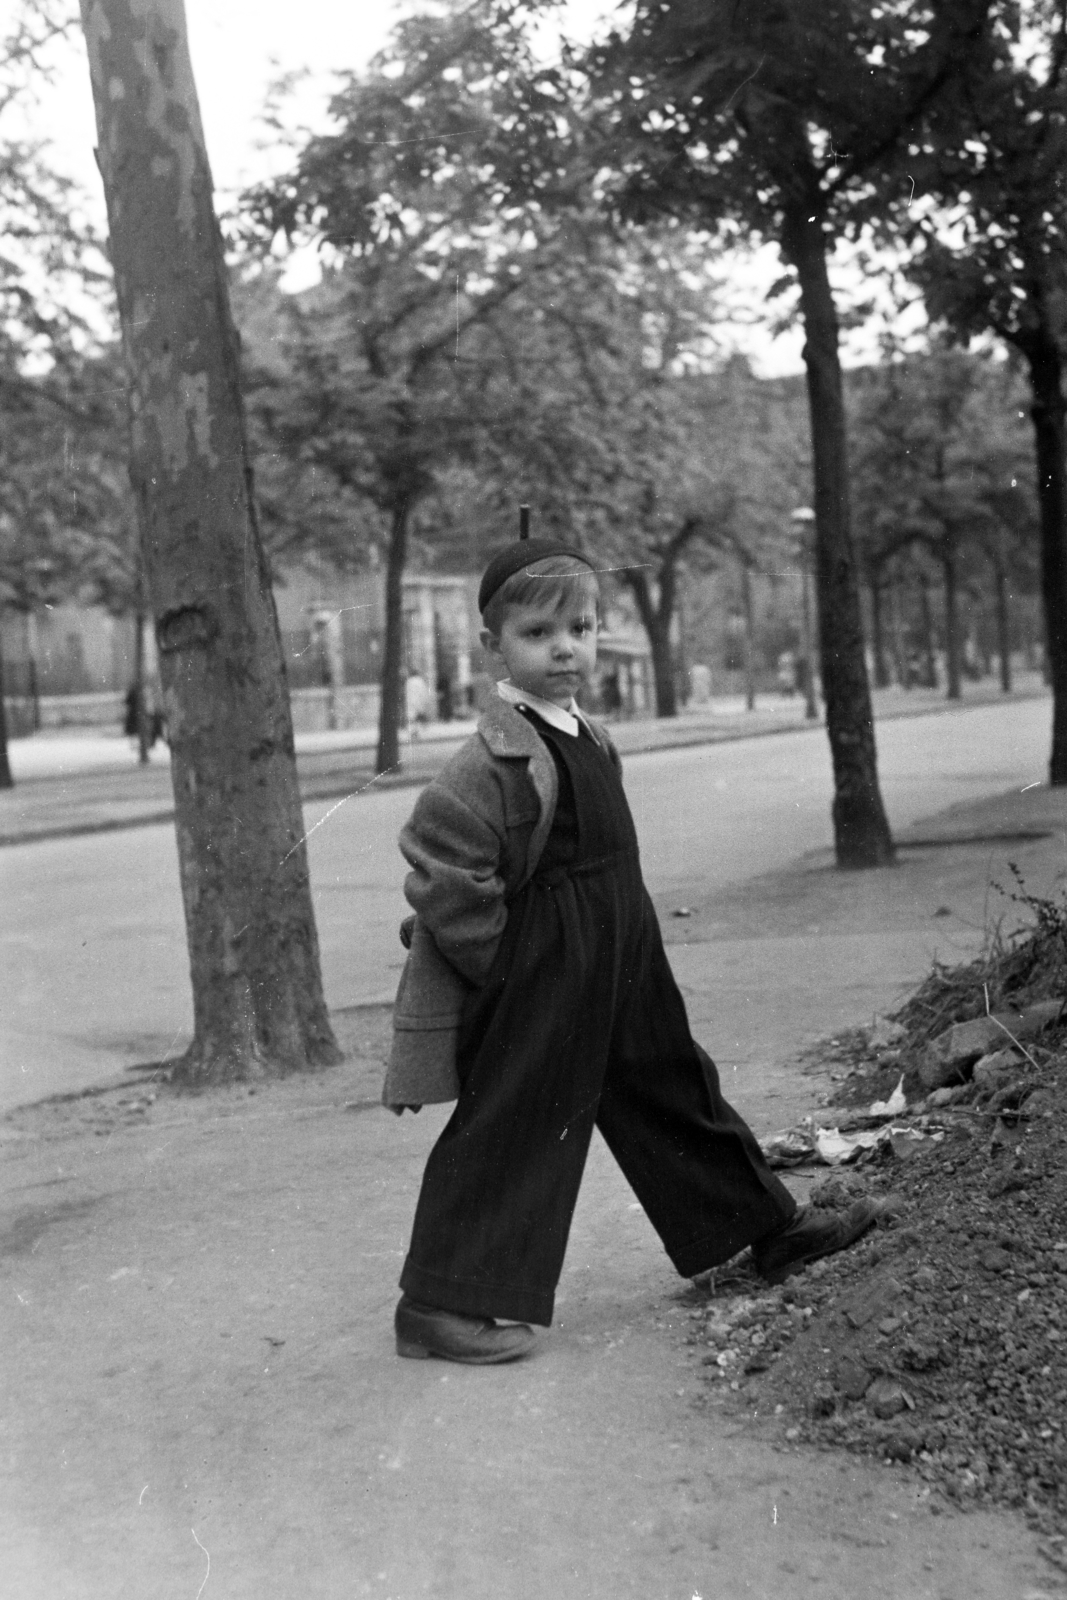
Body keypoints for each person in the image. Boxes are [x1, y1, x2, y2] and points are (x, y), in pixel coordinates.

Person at [383, 536, 877, 1365]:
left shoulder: (588, 734)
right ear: (493, 648)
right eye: (538, 633)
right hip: (546, 968)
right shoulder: (490, 759)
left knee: (672, 1083)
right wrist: (501, 966)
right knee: (520, 1121)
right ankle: (436, 1303)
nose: (564, 647)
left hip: (623, 949)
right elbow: (440, 867)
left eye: (579, 626)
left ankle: (764, 1227)